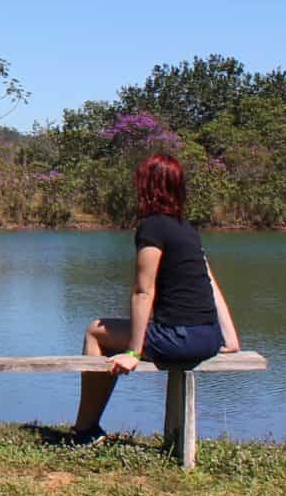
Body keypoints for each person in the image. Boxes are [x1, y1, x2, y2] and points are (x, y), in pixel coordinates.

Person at [69, 153, 240, 444]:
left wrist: (134, 352)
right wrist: (231, 339)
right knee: (113, 333)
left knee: (95, 331)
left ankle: (85, 430)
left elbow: (143, 290)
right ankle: (87, 427)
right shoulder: (188, 231)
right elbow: (210, 282)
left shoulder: (153, 227)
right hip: (208, 339)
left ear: (147, 187)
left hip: (179, 340)